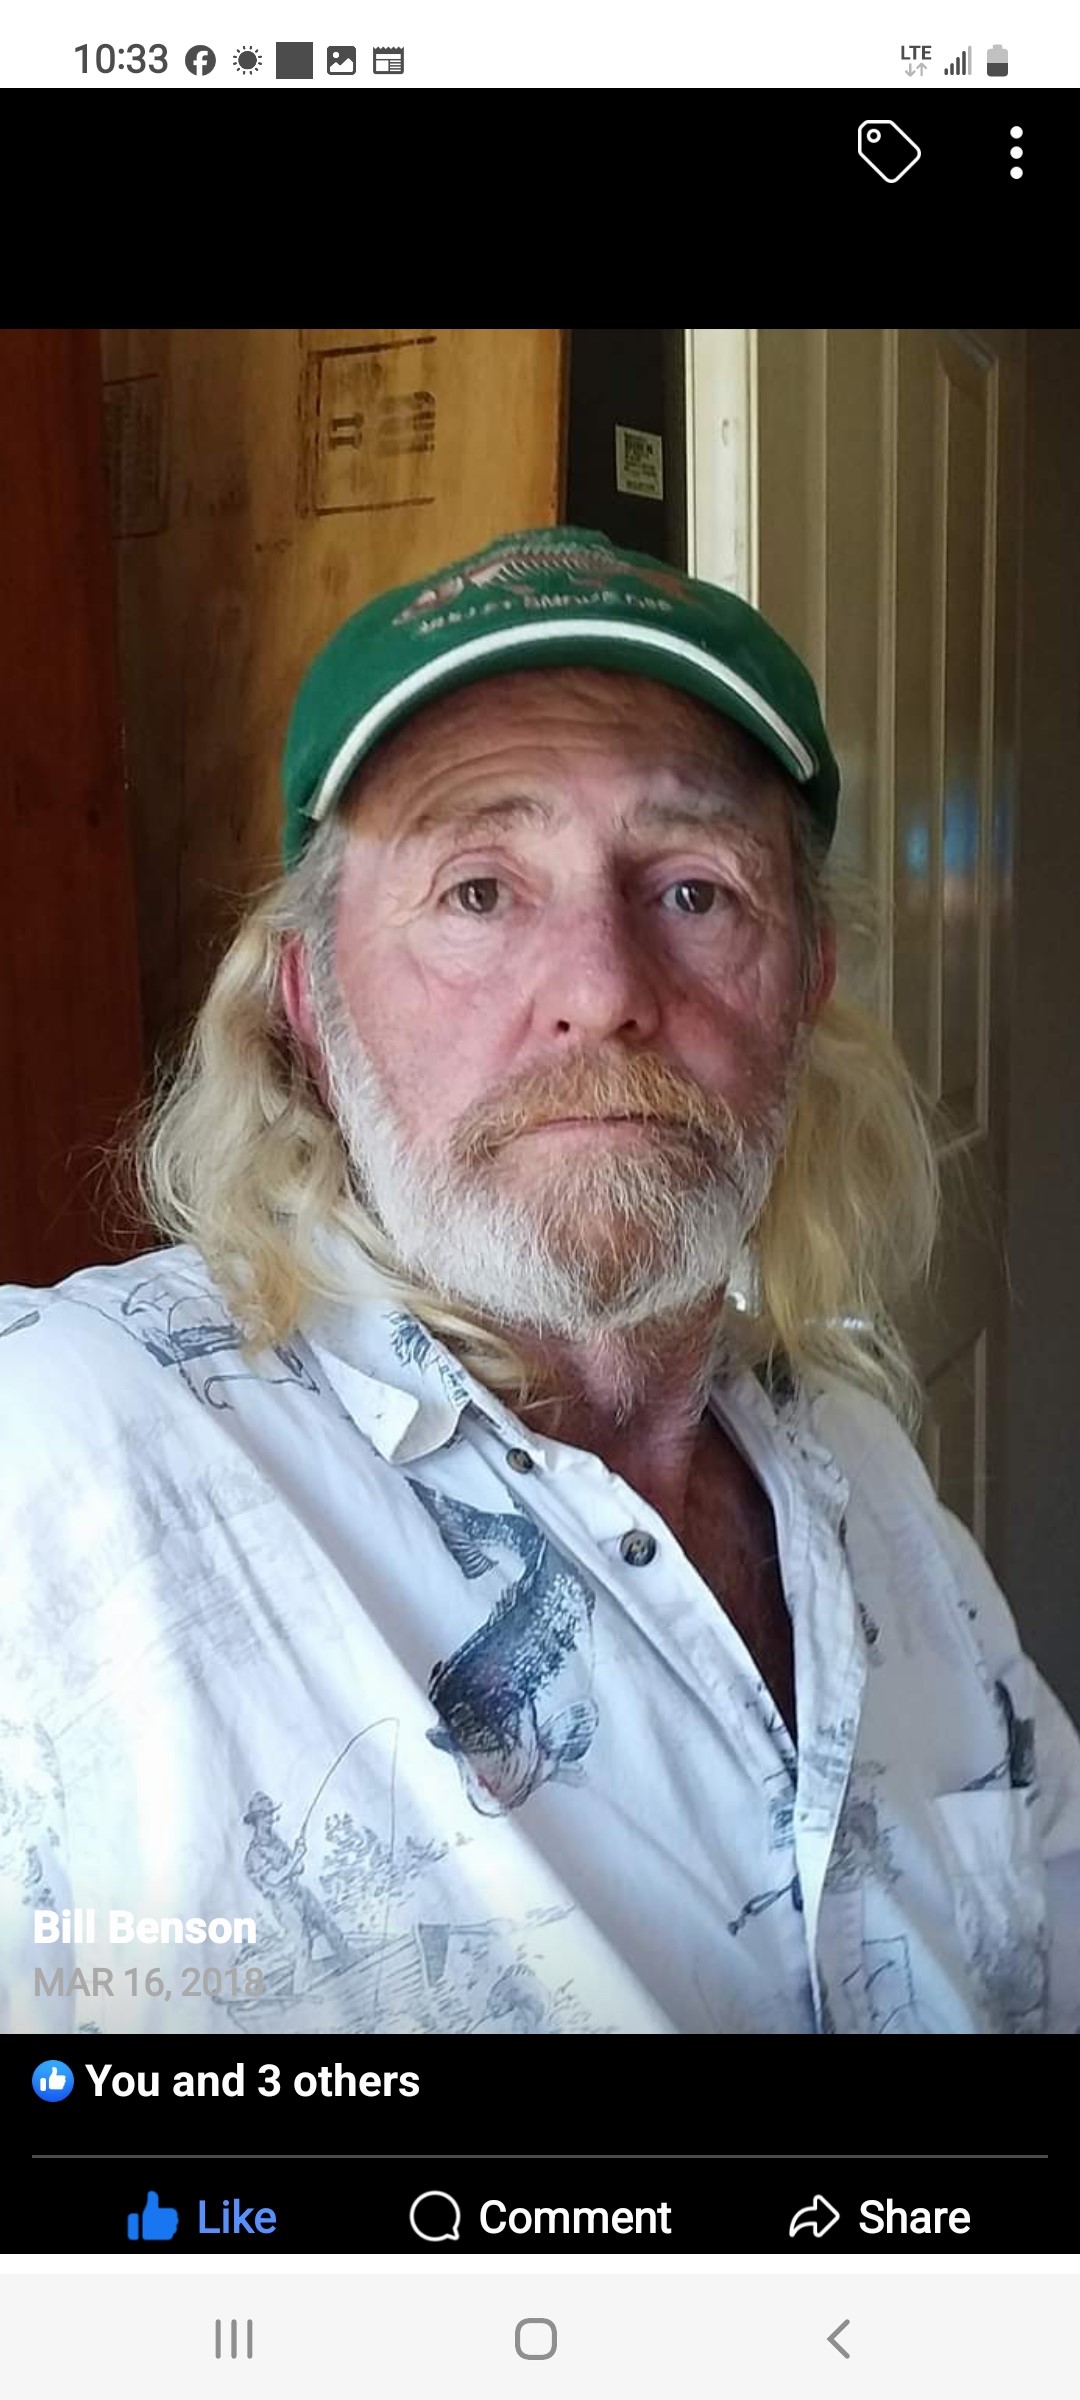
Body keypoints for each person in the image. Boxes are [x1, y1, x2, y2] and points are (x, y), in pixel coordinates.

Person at [2, 523, 1078, 2037]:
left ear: (806, 986)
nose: (601, 990)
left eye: (695, 890)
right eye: (478, 891)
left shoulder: (867, 1477)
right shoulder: (67, 1456)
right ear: (310, 998)